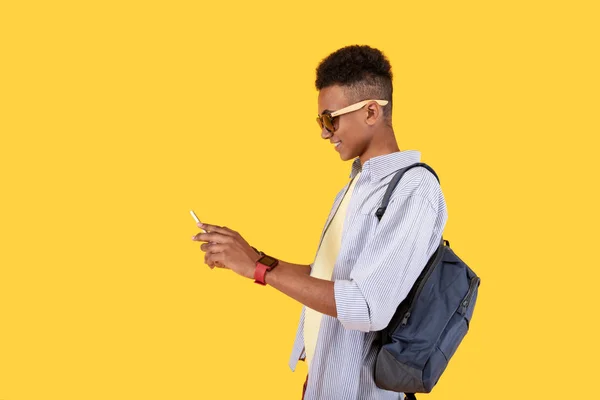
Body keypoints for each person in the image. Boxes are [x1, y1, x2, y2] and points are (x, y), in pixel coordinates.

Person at [191, 45, 448, 400]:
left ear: (371, 111)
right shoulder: (356, 187)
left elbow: (366, 306)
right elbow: (327, 277)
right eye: (321, 122)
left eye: (331, 119)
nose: (325, 133)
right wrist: (253, 256)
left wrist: (259, 270)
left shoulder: (414, 190)